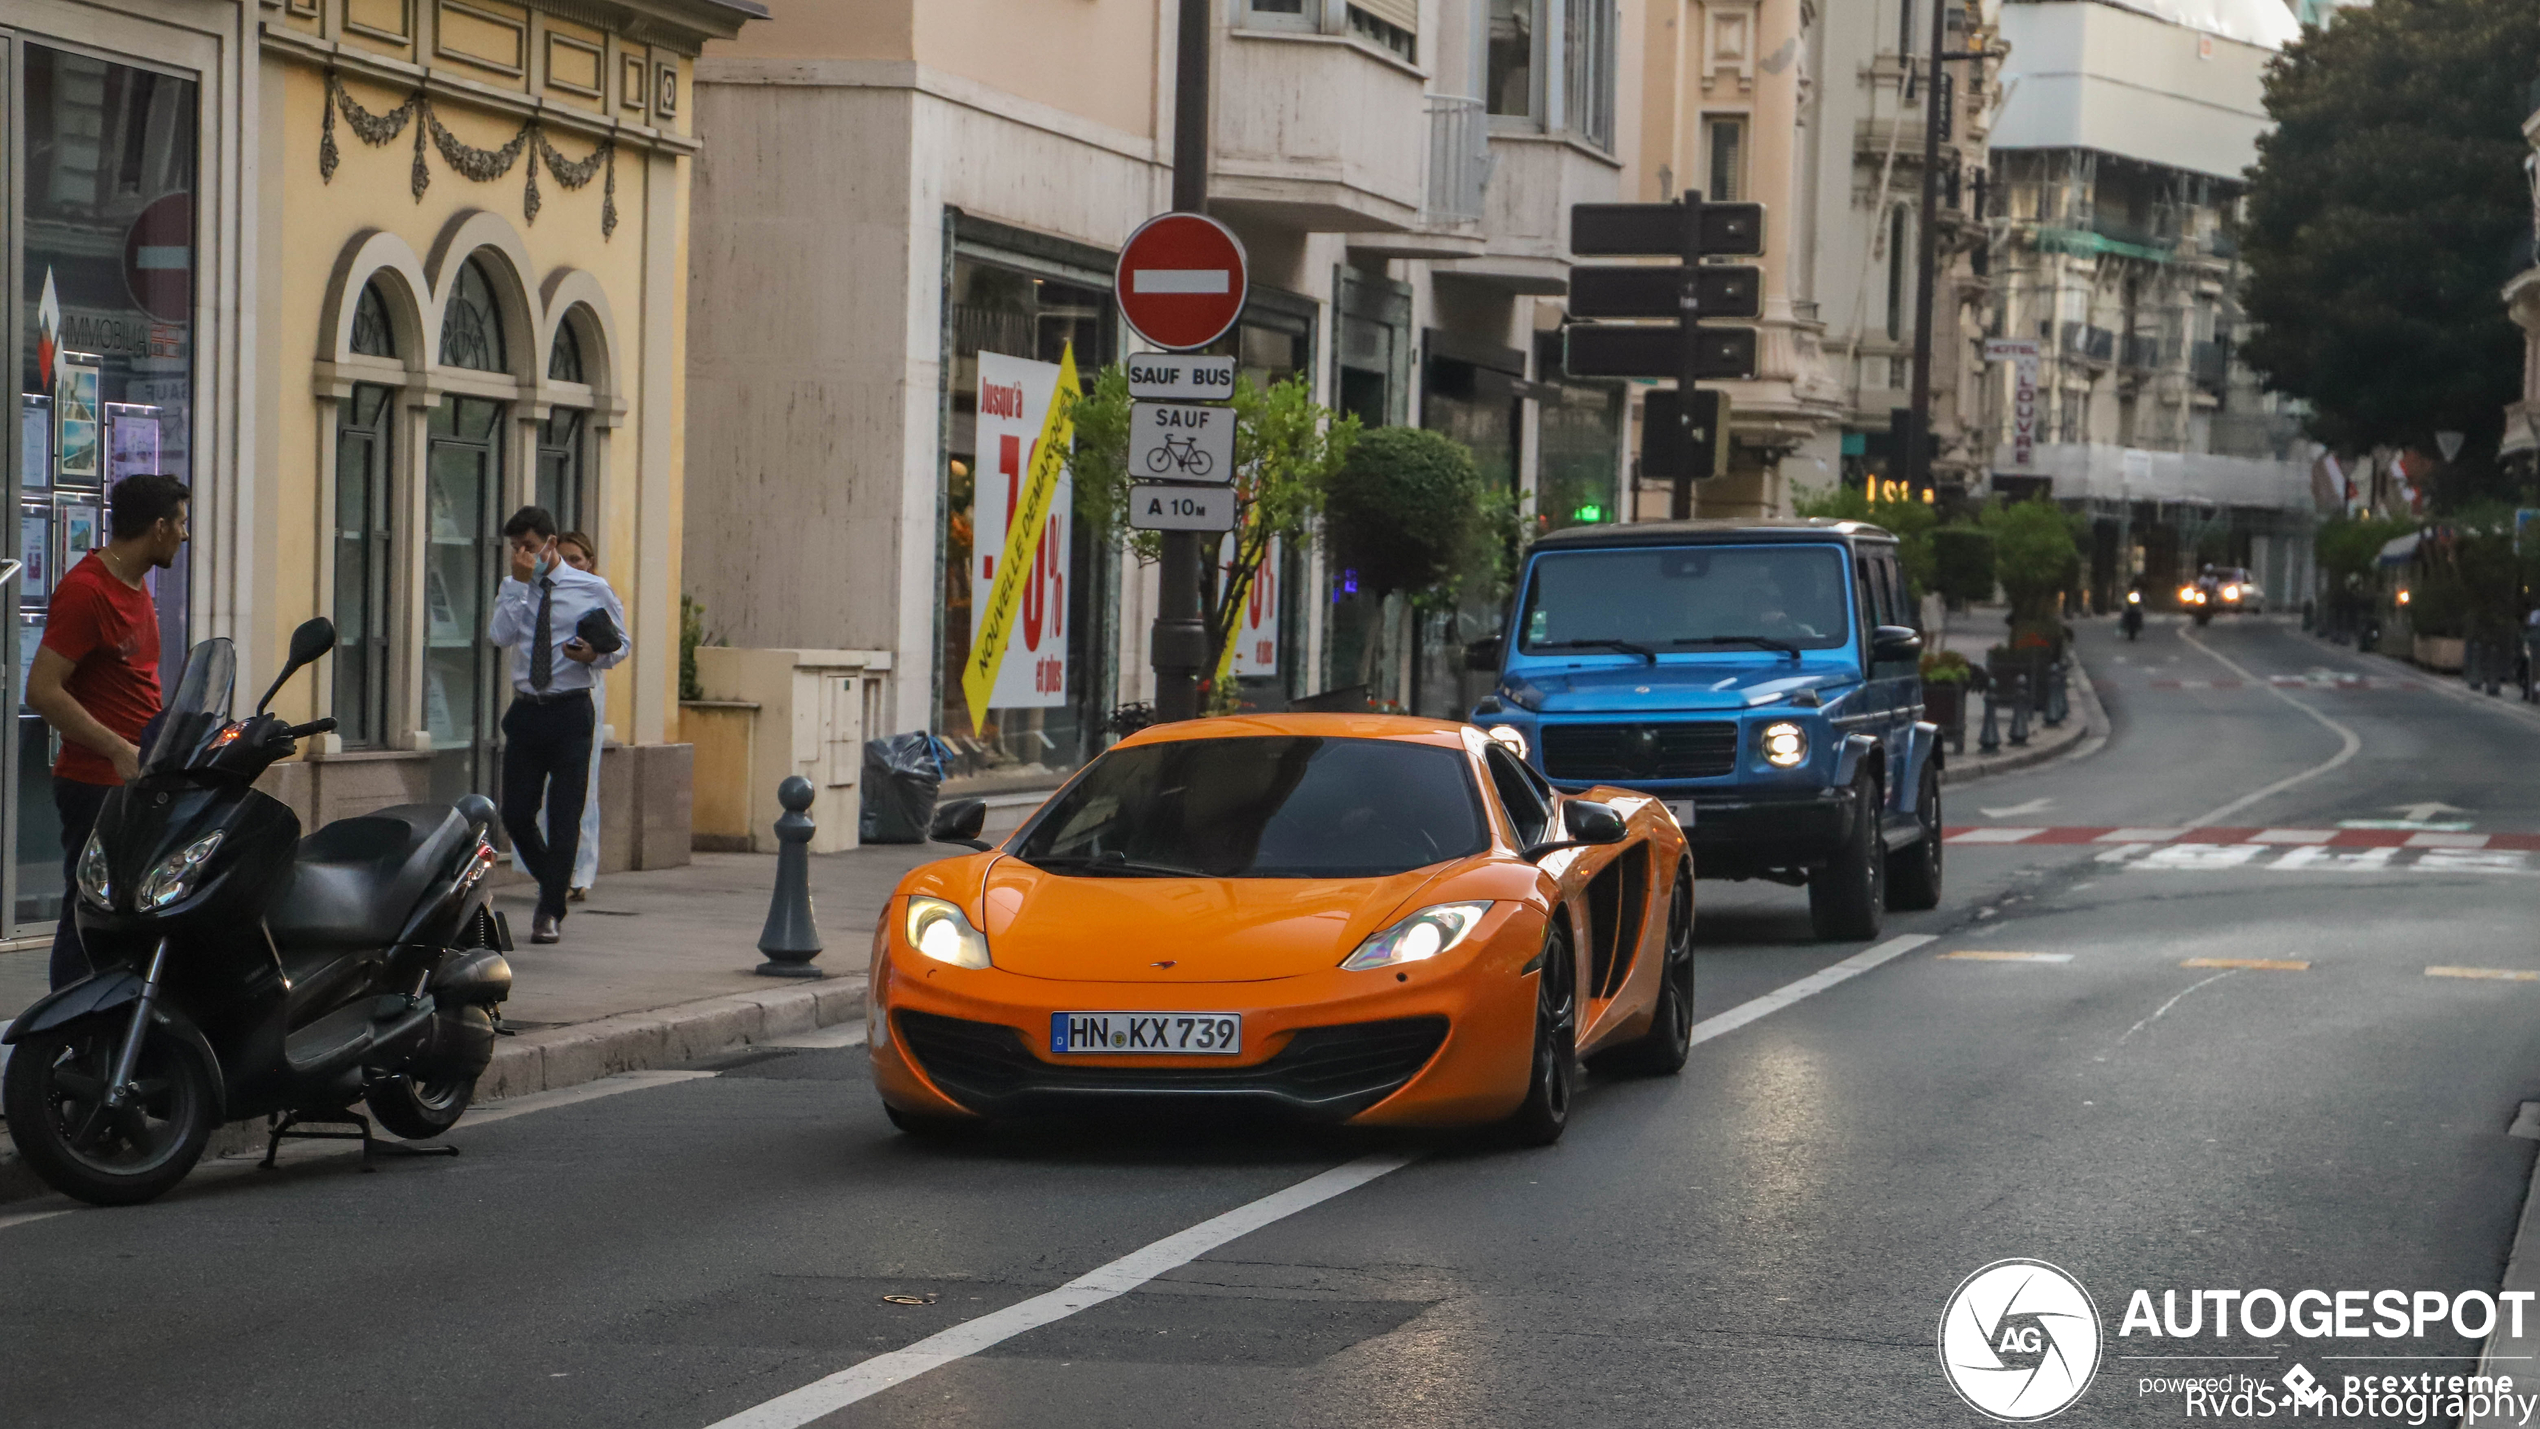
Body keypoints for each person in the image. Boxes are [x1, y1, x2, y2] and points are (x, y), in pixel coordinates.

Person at [27, 473, 189, 988]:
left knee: (126, 913)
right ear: (159, 526)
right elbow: (43, 690)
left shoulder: (136, 584)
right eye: (181, 523)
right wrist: (119, 749)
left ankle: (113, 1031)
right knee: (88, 915)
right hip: (95, 782)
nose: (185, 536)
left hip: (136, 779)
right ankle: (62, 1041)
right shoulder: (87, 591)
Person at [489, 507, 628, 943]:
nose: (521, 554)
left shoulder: (591, 587)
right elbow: (500, 635)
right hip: (528, 710)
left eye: (528, 546)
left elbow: (621, 644)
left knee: (566, 815)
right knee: (515, 813)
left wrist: (595, 656)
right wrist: (516, 584)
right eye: (514, 548)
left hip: (570, 711)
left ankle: (549, 911)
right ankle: (555, 878)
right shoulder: (514, 587)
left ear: (549, 543)